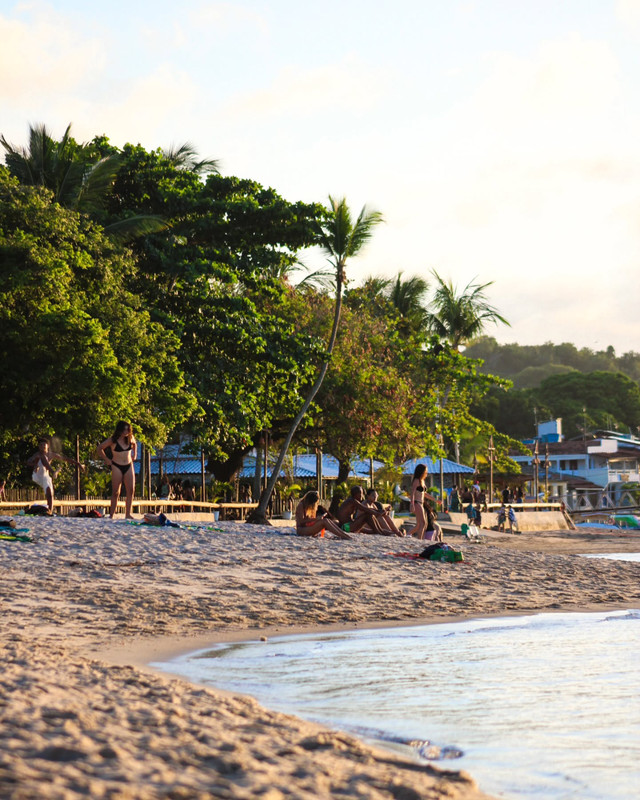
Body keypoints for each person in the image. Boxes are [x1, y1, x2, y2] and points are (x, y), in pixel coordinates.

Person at [26, 437, 85, 514]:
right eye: (41, 445)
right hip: (37, 475)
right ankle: (53, 471)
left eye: (44, 445)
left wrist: (77, 463)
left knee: (50, 493)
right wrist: (35, 465)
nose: (42, 446)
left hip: (45, 476)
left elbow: (65, 459)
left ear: (48, 446)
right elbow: (28, 461)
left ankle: (49, 510)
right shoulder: (38, 454)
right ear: (39, 447)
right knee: (43, 457)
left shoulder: (51, 454)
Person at [97, 421, 137, 519]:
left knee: (131, 490)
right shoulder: (112, 440)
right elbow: (99, 448)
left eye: (128, 429)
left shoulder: (130, 438)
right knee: (116, 492)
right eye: (124, 429)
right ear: (120, 429)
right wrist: (106, 459)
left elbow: (135, 445)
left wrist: (134, 455)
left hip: (128, 464)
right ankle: (112, 514)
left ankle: (127, 514)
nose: (126, 431)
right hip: (116, 465)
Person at [406, 464, 441, 539]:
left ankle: (408, 534)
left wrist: (435, 500)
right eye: (425, 472)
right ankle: (420, 539)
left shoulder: (422, 481)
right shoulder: (416, 480)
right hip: (416, 502)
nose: (426, 473)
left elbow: (424, 494)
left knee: (420, 524)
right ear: (421, 472)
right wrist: (412, 504)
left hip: (421, 503)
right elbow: (412, 492)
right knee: (423, 523)